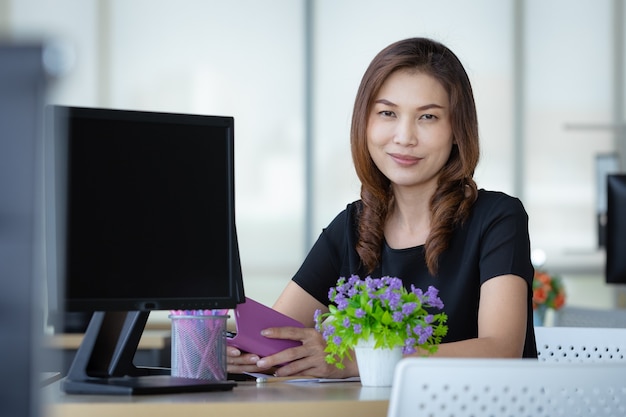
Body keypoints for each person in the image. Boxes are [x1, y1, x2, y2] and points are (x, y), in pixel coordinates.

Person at [227, 37, 537, 379]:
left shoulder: (498, 218)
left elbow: (501, 350)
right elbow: (277, 335)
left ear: (456, 131)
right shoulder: (351, 226)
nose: (404, 137)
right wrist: (241, 352)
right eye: (388, 113)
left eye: (428, 117)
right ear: (365, 122)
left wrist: (358, 360)